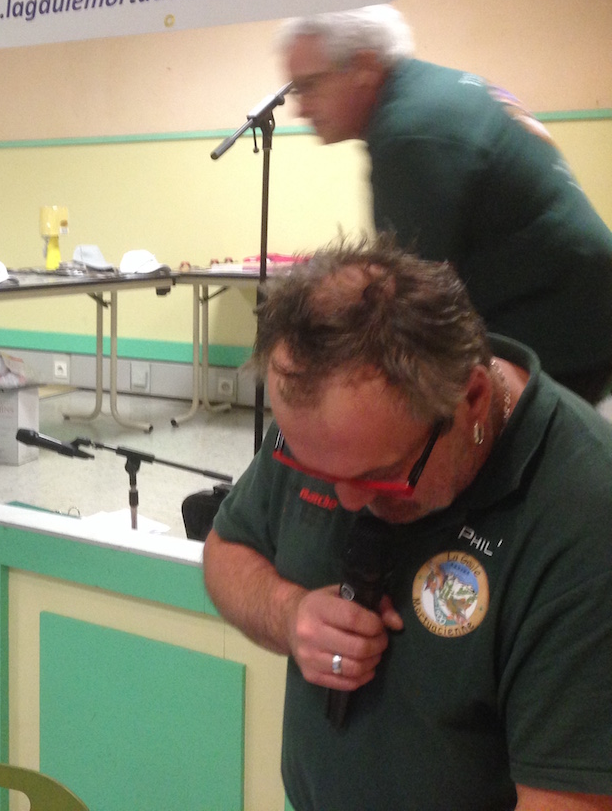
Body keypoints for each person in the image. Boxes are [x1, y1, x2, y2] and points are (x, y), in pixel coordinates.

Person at [203, 236, 612, 811]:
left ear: (472, 399)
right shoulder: (327, 431)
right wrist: (288, 614)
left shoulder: (585, 516)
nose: (346, 500)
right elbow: (226, 551)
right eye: (315, 470)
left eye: (381, 476)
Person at [277, 5, 612, 402]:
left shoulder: (411, 133)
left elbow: (407, 298)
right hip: (579, 301)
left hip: (555, 323)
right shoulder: (434, 91)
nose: (300, 108)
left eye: (309, 86)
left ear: (364, 66)